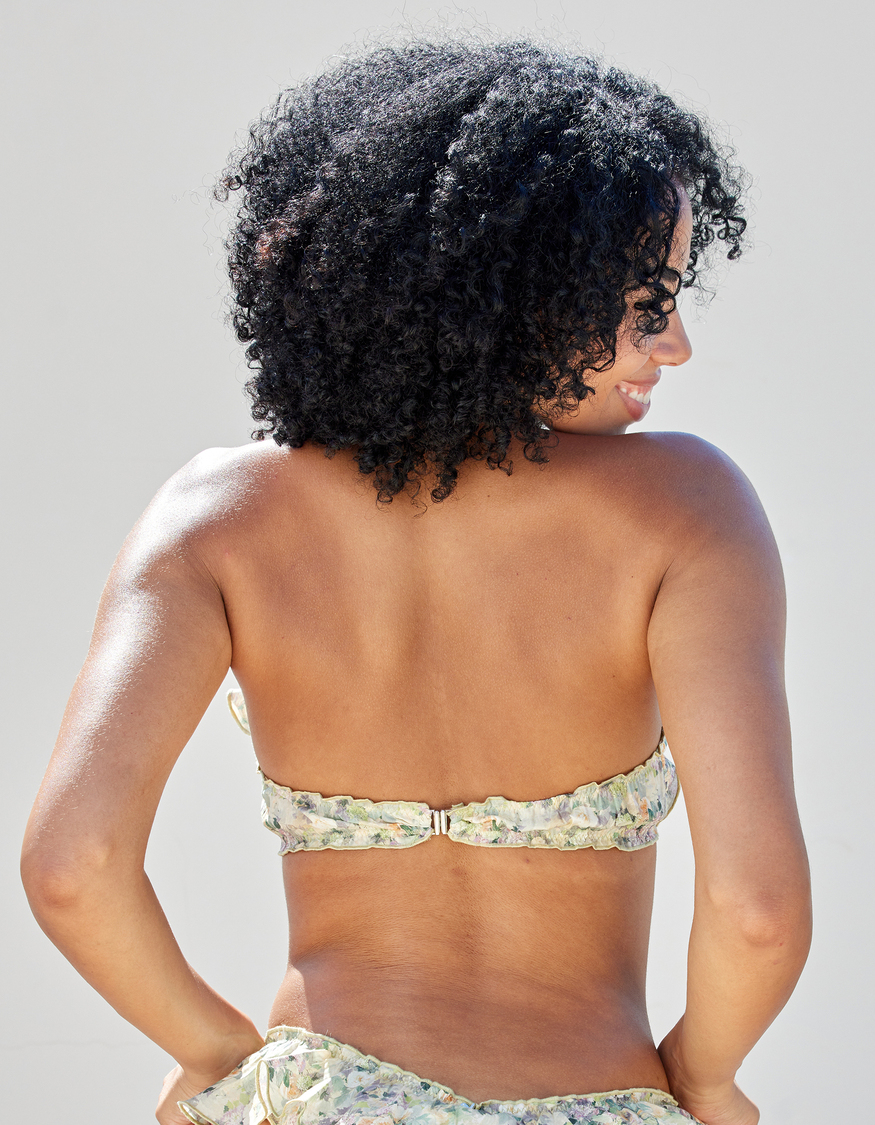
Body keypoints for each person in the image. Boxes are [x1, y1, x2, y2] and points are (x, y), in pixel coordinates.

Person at [20, 35, 811, 1125]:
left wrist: (219, 1056)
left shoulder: (216, 517)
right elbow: (757, 910)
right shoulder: (686, 506)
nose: (672, 346)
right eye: (644, 301)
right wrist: (707, 1074)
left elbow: (72, 865)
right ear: (513, 288)